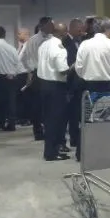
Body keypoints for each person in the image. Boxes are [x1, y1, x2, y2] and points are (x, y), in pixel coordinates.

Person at [74, 16, 110, 161]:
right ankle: (106, 153)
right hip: (108, 86)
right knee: (108, 120)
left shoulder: (85, 45)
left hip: (88, 87)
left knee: (86, 120)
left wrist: (85, 75)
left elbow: (78, 67)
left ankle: (82, 153)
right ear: (107, 29)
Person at [37, 23, 70, 161]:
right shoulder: (59, 47)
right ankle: (52, 152)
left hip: (43, 85)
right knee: (56, 121)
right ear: (64, 33)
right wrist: (74, 67)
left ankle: (51, 150)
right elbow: (62, 70)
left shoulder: (44, 44)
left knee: (48, 120)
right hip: (55, 86)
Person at [19, 16, 55, 140]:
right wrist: (30, 69)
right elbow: (22, 58)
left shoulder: (52, 39)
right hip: (38, 74)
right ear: (43, 26)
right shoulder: (33, 40)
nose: (52, 27)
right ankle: (38, 131)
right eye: (50, 24)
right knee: (37, 104)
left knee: (48, 104)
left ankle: (47, 129)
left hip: (49, 74)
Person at [62, 18, 84, 149]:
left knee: (77, 112)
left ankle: (76, 139)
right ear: (73, 28)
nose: (81, 32)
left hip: (79, 81)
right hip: (69, 81)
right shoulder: (64, 42)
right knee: (71, 114)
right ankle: (72, 139)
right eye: (79, 29)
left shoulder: (81, 41)